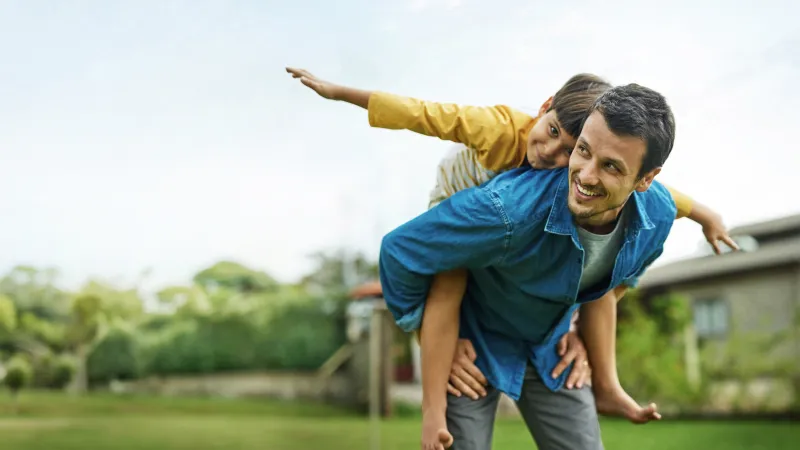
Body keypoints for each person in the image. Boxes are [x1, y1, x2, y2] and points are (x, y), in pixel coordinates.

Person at [286, 68, 736, 449]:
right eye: (579, 150)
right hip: (469, 275)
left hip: (547, 341)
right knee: (449, 280)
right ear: (544, 109)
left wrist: (707, 215)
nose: (572, 166)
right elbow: (423, 117)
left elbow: (642, 240)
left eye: (612, 166)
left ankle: (609, 387)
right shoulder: (503, 165)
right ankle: (433, 405)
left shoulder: (652, 212)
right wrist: (341, 92)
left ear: (645, 179)